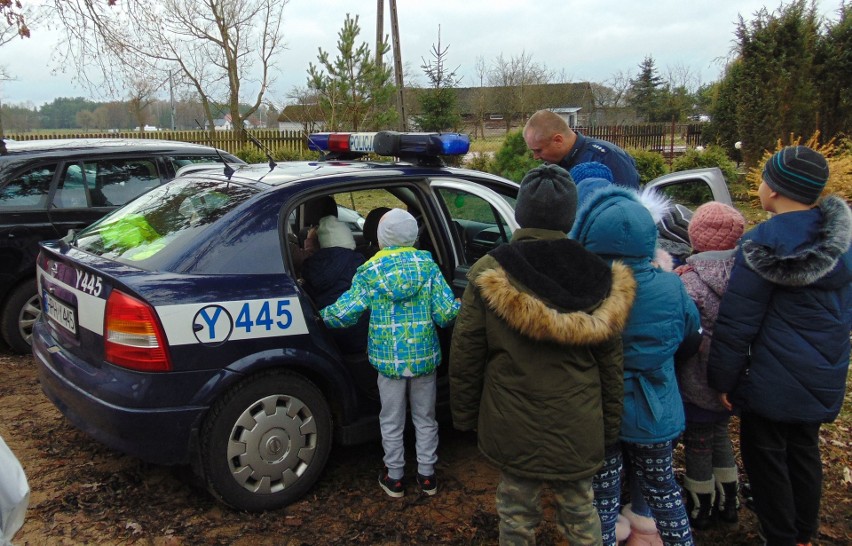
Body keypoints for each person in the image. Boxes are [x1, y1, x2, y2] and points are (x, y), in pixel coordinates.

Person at [449, 164, 637, 545]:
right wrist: (609, 427)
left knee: (516, 516)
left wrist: (465, 416)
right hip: (578, 422)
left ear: (520, 213)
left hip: (510, 421)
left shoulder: (490, 272)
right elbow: (611, 366)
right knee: (582, 511)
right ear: (570, 215)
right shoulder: (599, 277)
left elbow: (466, 352)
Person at [707, 146, 852, 546]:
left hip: (770, 380)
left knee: (767, 457)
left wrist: (723, 378)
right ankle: (803, 534)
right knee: (804, 452)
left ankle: (780, 535)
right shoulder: (840, 243)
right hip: (822, 373)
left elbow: (738, 322)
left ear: (772, 189)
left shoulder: (761, 246)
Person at [569, 183, 701, 546]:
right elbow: (691, 338)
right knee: (664, 491)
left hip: (600, 410)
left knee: (603, 497)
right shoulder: (672, 287)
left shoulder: (583, 289)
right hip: (655, 409)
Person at [320, 208, 460, 498]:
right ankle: (427, 476)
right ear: (414, 236)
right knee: (425, 417)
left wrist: (319, 315)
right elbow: (446, 315)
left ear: (382, 238)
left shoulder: (369, 272)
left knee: (391, 419)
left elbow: (345, 314)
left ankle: (394, 477)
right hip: (424, 359)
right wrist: (461, 302)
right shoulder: (429, 268)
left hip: (388, 362)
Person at [674, 202, 746, 530]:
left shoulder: (689, 282)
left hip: (696, 378)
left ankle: (700, 506)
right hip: (730, 377)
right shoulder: (746, 276)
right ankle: (729, 501)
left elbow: (684, 333)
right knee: (720, 435)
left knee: (698, 441)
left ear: (695, 237)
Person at [524, 109, 641, 190]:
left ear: (558, 140)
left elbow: (627, 211)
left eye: (538, 150)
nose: (536, 157)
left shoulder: (609, 158)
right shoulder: (552, 165)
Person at [302, 215, 368, 353]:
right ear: (348, 239)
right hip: (358, 336)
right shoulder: (357, 260)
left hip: (326, 336)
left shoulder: (310, 266)